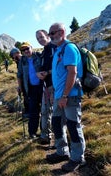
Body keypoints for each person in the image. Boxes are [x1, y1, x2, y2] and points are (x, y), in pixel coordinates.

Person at [46, 22, 86, 172]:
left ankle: (78, 158)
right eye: (49, 34)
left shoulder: (69, 48)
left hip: (70, 96)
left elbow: (72, 73)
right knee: (56, 123)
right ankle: (62, 151)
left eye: (52, 33)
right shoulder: (58, 50)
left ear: (61, 32)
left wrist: (64, 95)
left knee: (73, 126)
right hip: (59, 96)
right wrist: (55, 95)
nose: (50, 36)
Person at [17, 42, 43, 138]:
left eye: (27, 48)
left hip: (42, 87)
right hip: (30, 89)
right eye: (23, 50)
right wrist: (20, 87)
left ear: (31, 48)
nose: (26, 51)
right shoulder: (22, 60)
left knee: (44, 110)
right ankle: (32, 132)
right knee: (33, 111)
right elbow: (19, 75)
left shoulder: (39, 56)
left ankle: (44, 132)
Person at [35, 29, 56, 145]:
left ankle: (60, 142)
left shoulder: (55, 48)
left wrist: (47, 73)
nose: (40, 40)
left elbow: (60, 67)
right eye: (38, 38)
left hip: (55, 85)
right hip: (46, 86)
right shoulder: (43, 52)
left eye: (41, 37)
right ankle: (45, 136)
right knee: (44, 111)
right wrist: (40, 74)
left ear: (47, 36)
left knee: (58, 114)